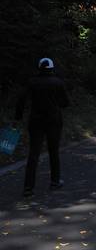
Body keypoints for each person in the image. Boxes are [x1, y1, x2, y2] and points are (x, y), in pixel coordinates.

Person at [15, 58, 69, 198]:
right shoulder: (58, 82)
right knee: (53, 151)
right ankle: (55, 181)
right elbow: (65, 103)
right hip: (54, 120)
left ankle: (28, 187)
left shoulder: (32, 82)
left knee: (33, 153)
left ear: (39, 68)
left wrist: (18, 116)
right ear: (52, 68)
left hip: (36, 121)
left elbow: (21, 99)